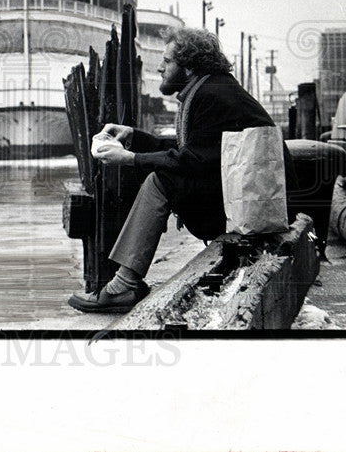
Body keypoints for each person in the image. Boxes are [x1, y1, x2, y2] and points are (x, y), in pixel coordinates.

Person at [68, 26, 293, 313]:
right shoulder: (214, 88)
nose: (160, 68)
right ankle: (125, 283)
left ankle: (124, 285)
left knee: (161, 181)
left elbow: (192, 161)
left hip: (258, 213)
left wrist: (130, 158)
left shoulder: (212, 96)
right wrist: (134, 136)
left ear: (188, 67)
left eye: (167, 61)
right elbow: (197, 149)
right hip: (254, 199)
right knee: (163, 176)